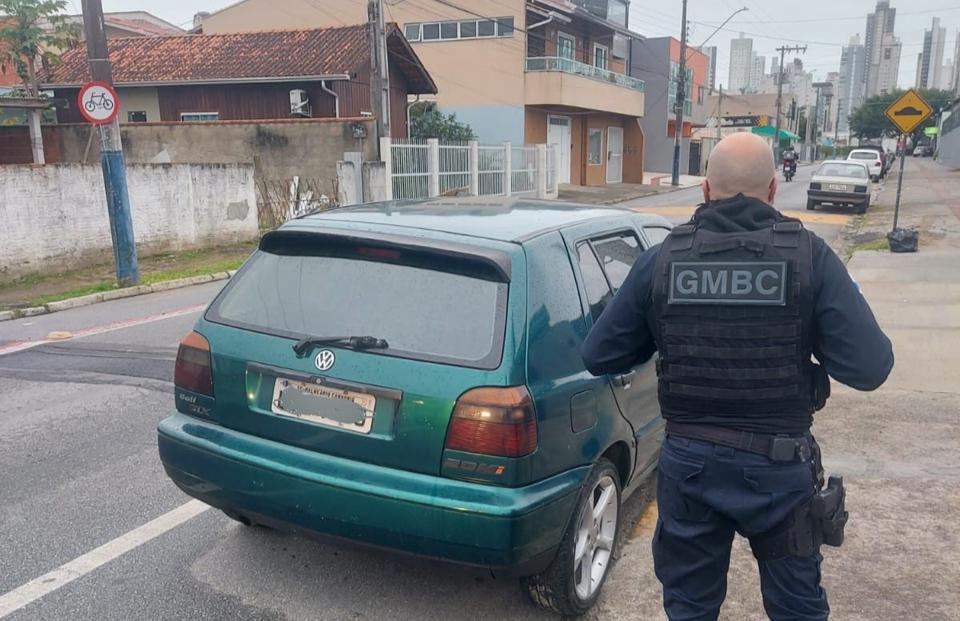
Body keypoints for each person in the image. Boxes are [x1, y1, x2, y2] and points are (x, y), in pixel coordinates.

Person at [580, 132, 893, 621]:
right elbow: (872, 367)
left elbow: (599, 355)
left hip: (690, 469)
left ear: (705, 191)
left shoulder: (661, 261)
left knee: (690, 610)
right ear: (773, 190)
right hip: (779, 470)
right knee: (797, 611)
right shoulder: (809, 257)